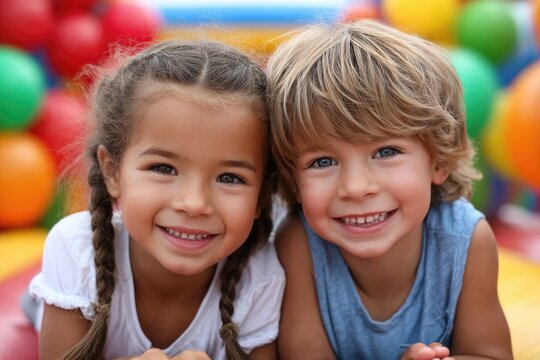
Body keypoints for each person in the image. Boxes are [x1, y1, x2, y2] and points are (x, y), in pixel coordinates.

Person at [266, 19, 512, 360]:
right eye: (322, 161)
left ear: (438, 160)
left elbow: (489, 354)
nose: (356, 187)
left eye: (386, 152)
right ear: (292, 179)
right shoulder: (299, 244)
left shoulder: (465, 240)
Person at [27, 38, 285, 360]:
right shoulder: (78, 252)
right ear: (112, 171)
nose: (194, 203)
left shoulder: (258, 277)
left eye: (229, 178)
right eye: (163, 168)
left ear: (263, 194)